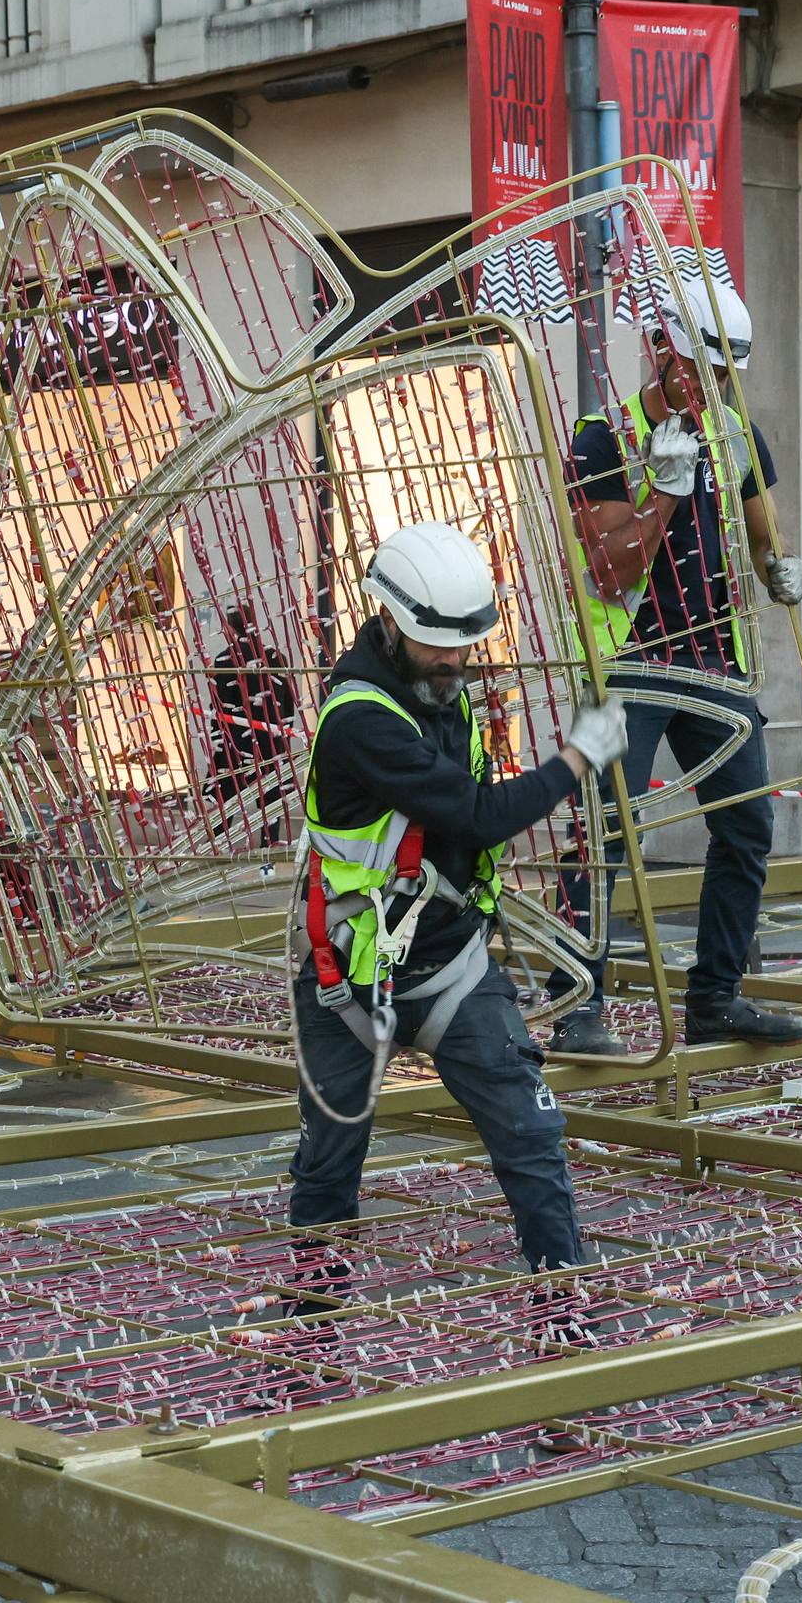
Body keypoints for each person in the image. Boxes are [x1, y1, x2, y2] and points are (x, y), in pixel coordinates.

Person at [289, 522, 630, 1275]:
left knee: (532, 1135)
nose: (452, 660)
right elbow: (478, 815)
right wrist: (577, 756)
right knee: (328, 1173)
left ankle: (564, 1313)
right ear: (388, 621)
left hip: (449, 963)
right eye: (435, 643)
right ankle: (311, 1338)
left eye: (463, 644)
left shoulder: (442, 689)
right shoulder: (361, 720)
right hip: (347, 972)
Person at [558, 267, 802, 1054]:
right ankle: (578, 1004)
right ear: (663, 349)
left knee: (748, 827)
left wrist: (784, 572)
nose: (714, 390)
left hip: (713, 664)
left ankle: (716, 996)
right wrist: (664, 491)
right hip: (626, 668)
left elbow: (765, 536)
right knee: (605, 832)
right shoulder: (604, 437)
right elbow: (610, 569)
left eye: (727, 375)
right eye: (702, 372)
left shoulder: (737, 434)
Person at [207, 605, 299, 834]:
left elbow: (219, 708)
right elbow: (288, 702)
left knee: (227, 796)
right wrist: (284, 734)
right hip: (271, 740)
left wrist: (217, 738)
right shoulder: (276, 657)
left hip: (235, 743)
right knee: (270, 798)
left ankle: (221, 845)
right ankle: (270, 846)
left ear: (229, 627)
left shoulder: (225, 660)